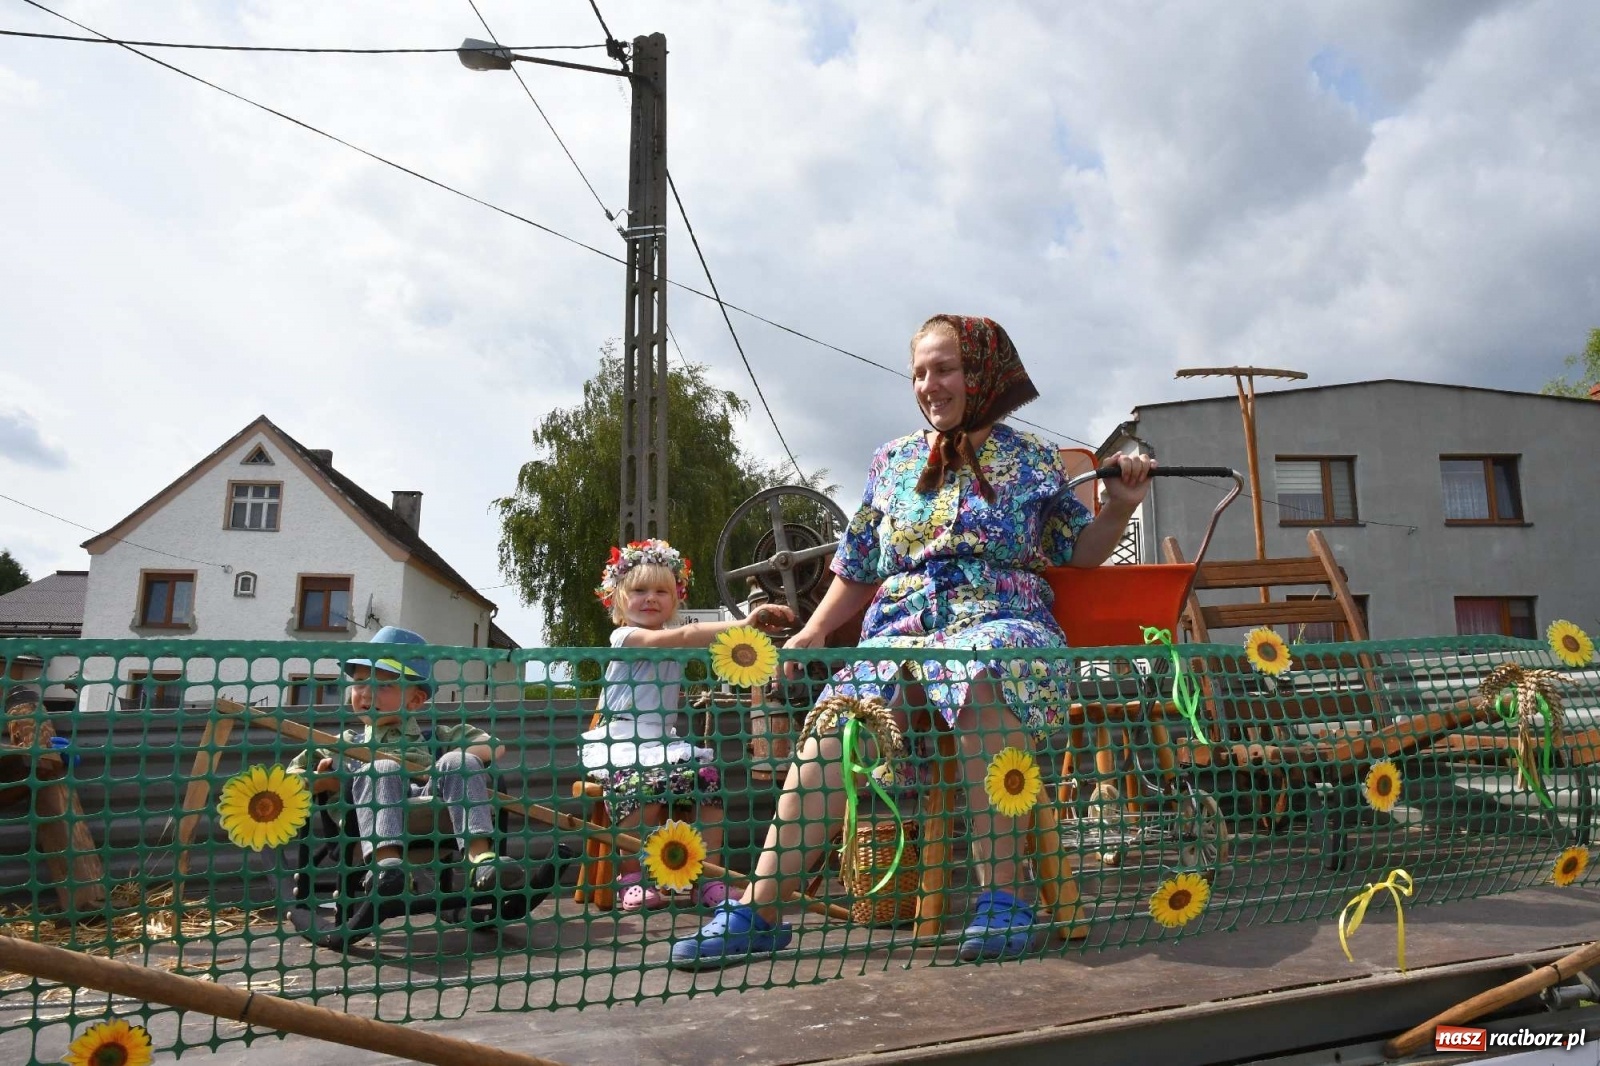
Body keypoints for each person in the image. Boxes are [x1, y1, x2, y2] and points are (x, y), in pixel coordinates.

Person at [670, 314, 1152, 968]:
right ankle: (758, 910)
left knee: (986, 671)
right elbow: (861, 562)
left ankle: (1004, 902)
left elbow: (1081, 550)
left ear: (983, 373)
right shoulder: (892, 462)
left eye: (945, 368)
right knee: (841, 718)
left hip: (999, 615)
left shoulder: (1034, 460)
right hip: (903, 624)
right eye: (920, 371)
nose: (930, 384)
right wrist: (812, 631)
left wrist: (1120, 506)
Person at [583, 538, 794, 911]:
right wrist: (742, 622)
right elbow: (681, 636)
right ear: (618, 599)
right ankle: (631, 877)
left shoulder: (674, 641)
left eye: (661, 591)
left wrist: (756, 643)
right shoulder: (626, 637)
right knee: (642, 788)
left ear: (676, 599)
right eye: (640, 590)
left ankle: (707, 878)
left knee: (707, 780)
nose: (651, 598)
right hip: (620, 743)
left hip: (663, 744)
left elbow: (713, 648)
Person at [287, 625, 523, 900]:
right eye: (360, 681)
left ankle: (480, 860)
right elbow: (293, 776)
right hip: (361, 829)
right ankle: (387, 868)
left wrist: (445, 768)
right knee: (382, 769)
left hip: (436, 817)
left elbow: (494, 746)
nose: (366, 693)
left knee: (460, 760)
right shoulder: (342, 744)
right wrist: (323, 780)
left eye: (384, 684)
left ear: (415, 700)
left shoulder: (435, 737)